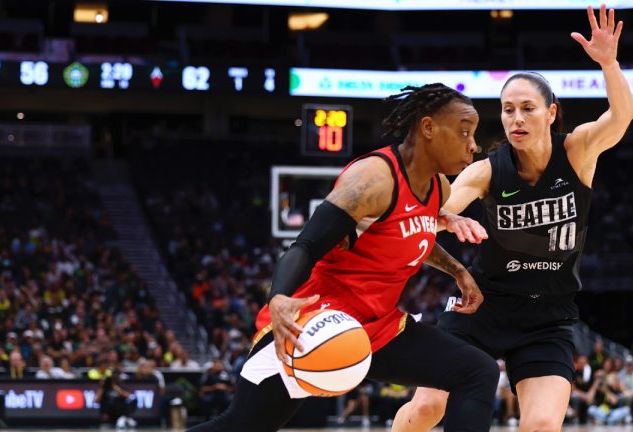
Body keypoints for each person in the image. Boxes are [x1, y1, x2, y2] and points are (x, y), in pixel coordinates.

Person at [187, 83, 499, 432]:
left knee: (477, 371)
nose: (473, 145)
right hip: (321, 321)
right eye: (464, 132)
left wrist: (457, 270)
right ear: (427, 128)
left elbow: (412, 236)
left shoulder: (438, 187)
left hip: (379, 327)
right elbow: (305, 245)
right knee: (241, 426)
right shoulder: (372, 179)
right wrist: (279, 297)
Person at [392, 5, 633, 432]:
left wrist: (609, 64)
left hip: (547, 317)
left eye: (527, 108)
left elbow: (622, 117)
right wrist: (444, 218)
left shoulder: (577, 152)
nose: (516, 118)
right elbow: (442, 204)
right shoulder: (488, 169)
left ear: (551, 113)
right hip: (483, 306)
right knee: (429, 407)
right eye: (507, 110)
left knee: (542, 423)